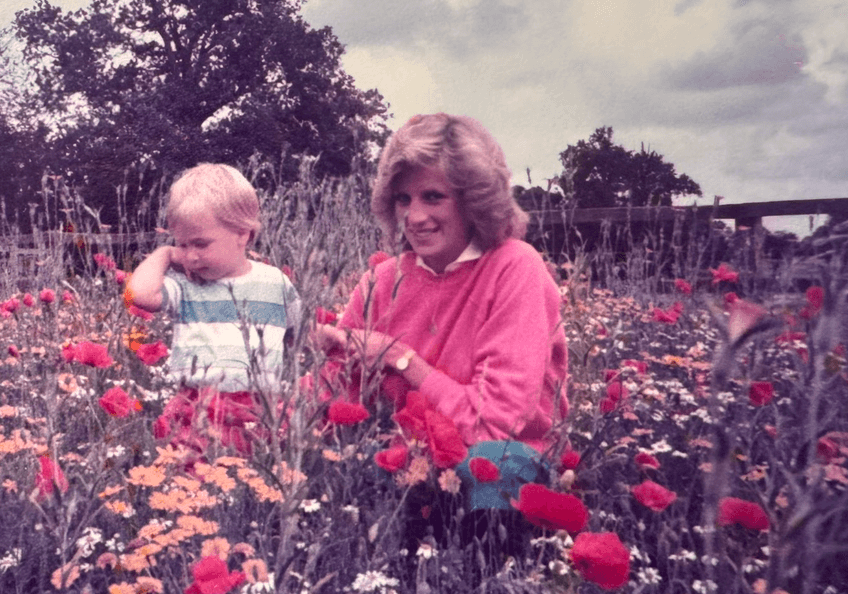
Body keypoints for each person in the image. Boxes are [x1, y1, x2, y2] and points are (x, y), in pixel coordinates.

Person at [318, 113, 569, 574]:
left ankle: (490, 577)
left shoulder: (515, 267)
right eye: (403, 199)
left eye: (433, 196)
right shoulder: (382, 280)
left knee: (490, 466)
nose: (415, 217)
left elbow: (495, 425)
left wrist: (399, 358)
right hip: (408, 462)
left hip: (496, 465)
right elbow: (333, 398)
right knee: (334, 474)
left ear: (474, 200)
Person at [127, 163, 300, 454]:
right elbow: (139, 294)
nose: (191, 257)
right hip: (196, 410)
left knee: (253, 476)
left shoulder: (276, 284)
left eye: (201, 244)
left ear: (242, 234)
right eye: (183, 245)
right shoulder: (186, 286)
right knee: (193, 477)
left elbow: (297, 338)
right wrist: (165, 254)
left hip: (258, 411)